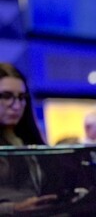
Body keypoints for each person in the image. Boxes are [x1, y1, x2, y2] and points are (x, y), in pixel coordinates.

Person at [0, 63, 59, 215]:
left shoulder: (26, 140)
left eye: (21, 97)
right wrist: (13, 209)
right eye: (6, 96)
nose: (16, 105)